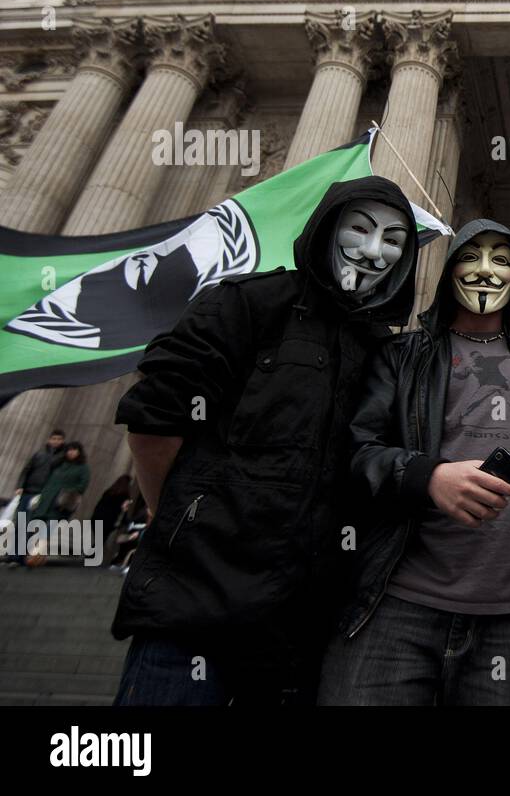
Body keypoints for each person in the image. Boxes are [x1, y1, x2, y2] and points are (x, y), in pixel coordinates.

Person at [110, 176, 420, 706]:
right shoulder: (249, 303)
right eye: (360, 229)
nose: (374, 251)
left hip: (301, 629)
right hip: (196, 607)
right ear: (326, 229)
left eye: (393, 240)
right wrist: (182, 516)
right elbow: (155, 418)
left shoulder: (383, 352)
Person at [317, 219, 510, 706]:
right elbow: (356, 454)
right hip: (396, 604)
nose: (487, 271)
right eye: (472, 256)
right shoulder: (401, 355)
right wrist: (429, 478)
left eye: (503, 261)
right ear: (449, 270)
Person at [5, 429, 66, 564]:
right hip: (27, 493)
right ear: (49, 440)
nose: (55, 441)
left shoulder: (62, 459)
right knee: (20, 523)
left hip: (43, 496)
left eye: (59, 439)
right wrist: (20, 486)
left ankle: (21, 555)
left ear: (62, 441)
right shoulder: (39, 454)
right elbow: (26, 470)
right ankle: (14, 555)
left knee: (31, 526)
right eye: (53, 438)